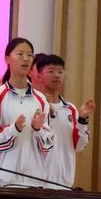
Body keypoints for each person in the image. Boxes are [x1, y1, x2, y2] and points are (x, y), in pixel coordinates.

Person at [0, 38, 54, 187]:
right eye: (20, 54)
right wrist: (14, 129)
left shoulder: (40, 99)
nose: (26, 59)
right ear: (7, 59)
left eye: (30, 55)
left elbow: (48, 145)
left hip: (35, 179)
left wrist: (37, 129)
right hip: (4, 180)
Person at [34, 54, 95, 188]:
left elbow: (79, 146)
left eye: (60, 72)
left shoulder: (70, 109)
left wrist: (82, 119)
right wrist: (46, 110)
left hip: (64, 183)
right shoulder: (34, 106)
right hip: (37, 182)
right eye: (51, 71)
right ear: (39, 76)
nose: (57, 75)